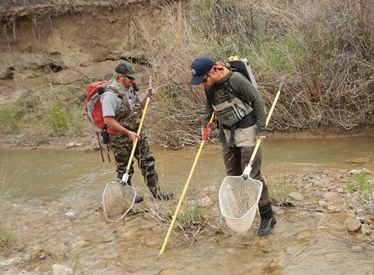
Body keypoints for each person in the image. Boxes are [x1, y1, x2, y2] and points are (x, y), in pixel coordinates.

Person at [189, 56, 277, 236]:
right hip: (226, 134)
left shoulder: (236, 80)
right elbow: (209, 106)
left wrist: (261, 130)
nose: (203, 84)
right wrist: (205, 125)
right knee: (233, 175)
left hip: (247, 131)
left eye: (204, 79)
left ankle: (267, 216)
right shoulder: (209, 87)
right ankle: (243, 211)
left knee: (252, 175)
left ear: (214, 70)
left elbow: (258, 103)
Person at [101, 61, 172, 202]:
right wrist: (128, 133)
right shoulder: (110, 95)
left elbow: (138, 107)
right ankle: (128, 198)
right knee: (125, 168)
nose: (133, 80)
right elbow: (108, 120)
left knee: (148, 162)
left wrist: (147, 97)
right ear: (121, 77)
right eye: (130, 77)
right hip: (121, 138)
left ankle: (156, 193)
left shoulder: (130, 89)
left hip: (137, 132)